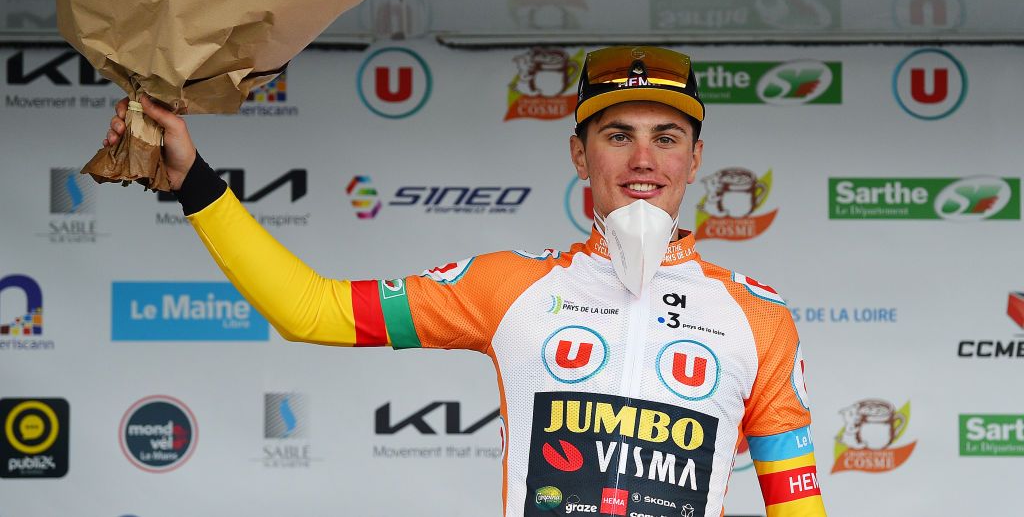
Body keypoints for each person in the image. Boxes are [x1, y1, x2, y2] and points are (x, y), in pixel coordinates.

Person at [104, 46, 826, 517]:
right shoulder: (510, 285)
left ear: (696, 160)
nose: (643, 159)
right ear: (580, 154)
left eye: (666, 137)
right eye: (617, 135)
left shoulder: (757, 317)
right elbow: (311, 311)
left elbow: (796, 501)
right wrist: (194, 182)